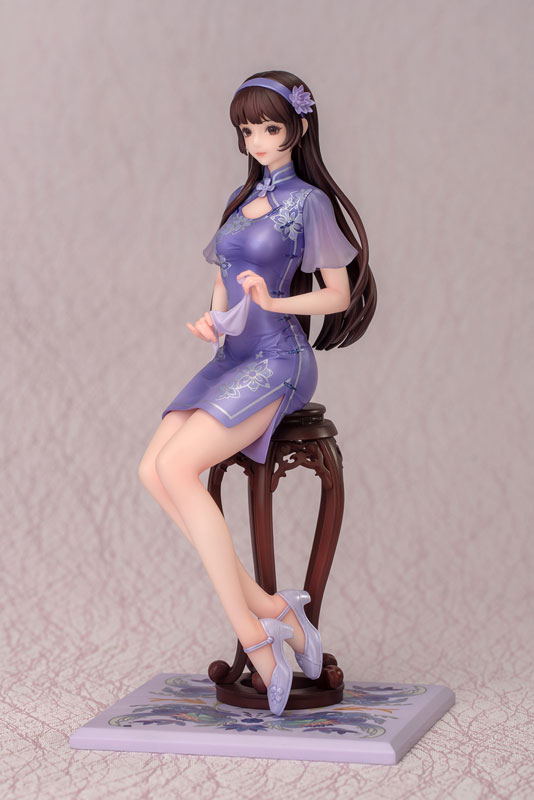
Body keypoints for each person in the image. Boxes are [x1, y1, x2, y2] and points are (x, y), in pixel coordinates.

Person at [138, 70, 377, 716]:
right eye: (248, 130)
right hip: (233, 355)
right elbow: (224, 282)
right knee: (153, 470)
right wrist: (212, 320)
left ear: (299, 127)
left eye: (270, 128)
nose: (258, 141)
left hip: (279, 359)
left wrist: (276, 302)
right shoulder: (240, 200)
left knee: (179, 468)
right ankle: (277, 610)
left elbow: (338, 293)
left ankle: (255, 635)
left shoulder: (309, 204)